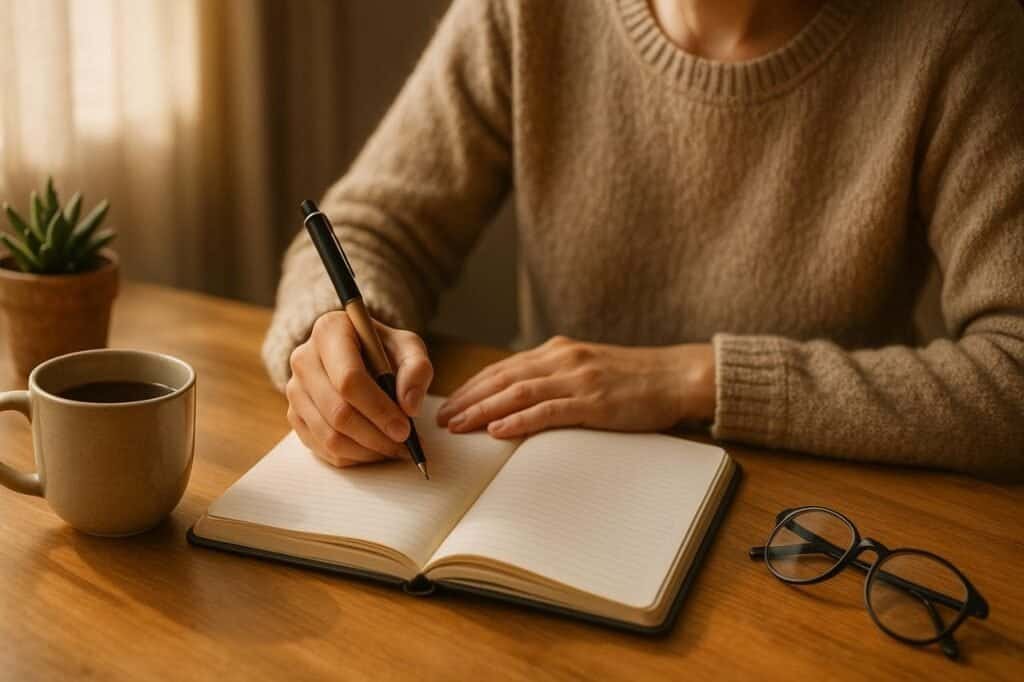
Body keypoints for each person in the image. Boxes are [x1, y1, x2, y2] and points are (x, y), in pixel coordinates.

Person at [263, 0, 1024, 478]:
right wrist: (334, 339)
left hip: (824, 526)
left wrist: (696, 380)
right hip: (547, 482)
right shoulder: (524, 13)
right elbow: (368, 227)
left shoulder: (957, 30)